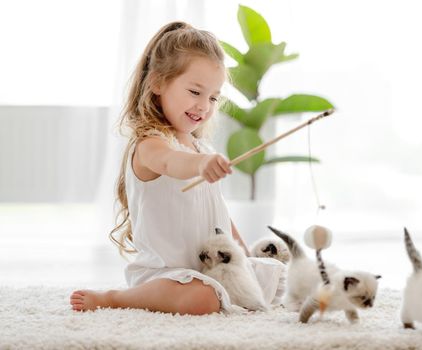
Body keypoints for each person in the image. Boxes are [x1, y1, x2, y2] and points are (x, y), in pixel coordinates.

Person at [69, 21, 285, 315]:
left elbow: (219, 213)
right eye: (195, 92)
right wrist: (201, 165)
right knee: (202, 298)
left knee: (277, 274)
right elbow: (172, 163)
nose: (204, 106)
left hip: (214, 269)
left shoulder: (201, 148)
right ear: (158, 83)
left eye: (212, 97)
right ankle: (115, 298)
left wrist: (244, 257)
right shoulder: (150, 144)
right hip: (167, 276)